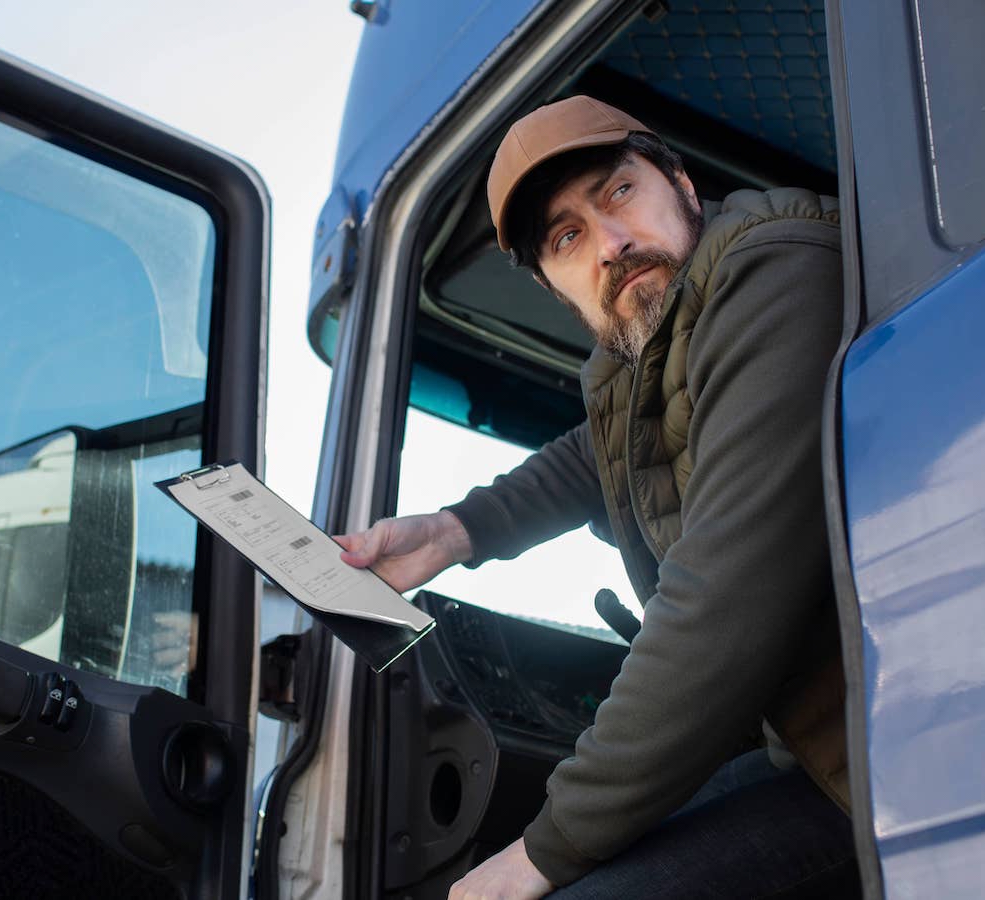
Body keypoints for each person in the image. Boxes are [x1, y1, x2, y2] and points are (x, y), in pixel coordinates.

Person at [335, 96, 858, 898]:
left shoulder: (773, 270)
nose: (611, 245)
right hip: (823, 752)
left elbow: (722, 604)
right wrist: (452, 532)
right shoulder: (636, 358)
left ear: (680, 181)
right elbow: (597, 450)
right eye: (568, 237)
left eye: (618, 193)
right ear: (555, 283)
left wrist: (539, 855)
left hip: (890, 754)